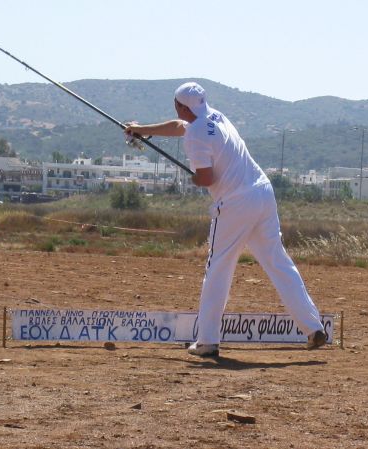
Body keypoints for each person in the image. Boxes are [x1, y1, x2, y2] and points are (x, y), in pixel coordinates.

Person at [124, 82, 326, 357]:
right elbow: (180, 126)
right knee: (279, 263)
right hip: (262, 193)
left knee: (218, 267)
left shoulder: (196, 136)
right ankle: (314, 327)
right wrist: (143, 130)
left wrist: (195, 178)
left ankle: (207, 340)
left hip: (234, 203)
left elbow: (207, 178)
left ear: (180, 105)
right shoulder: (214, 115)